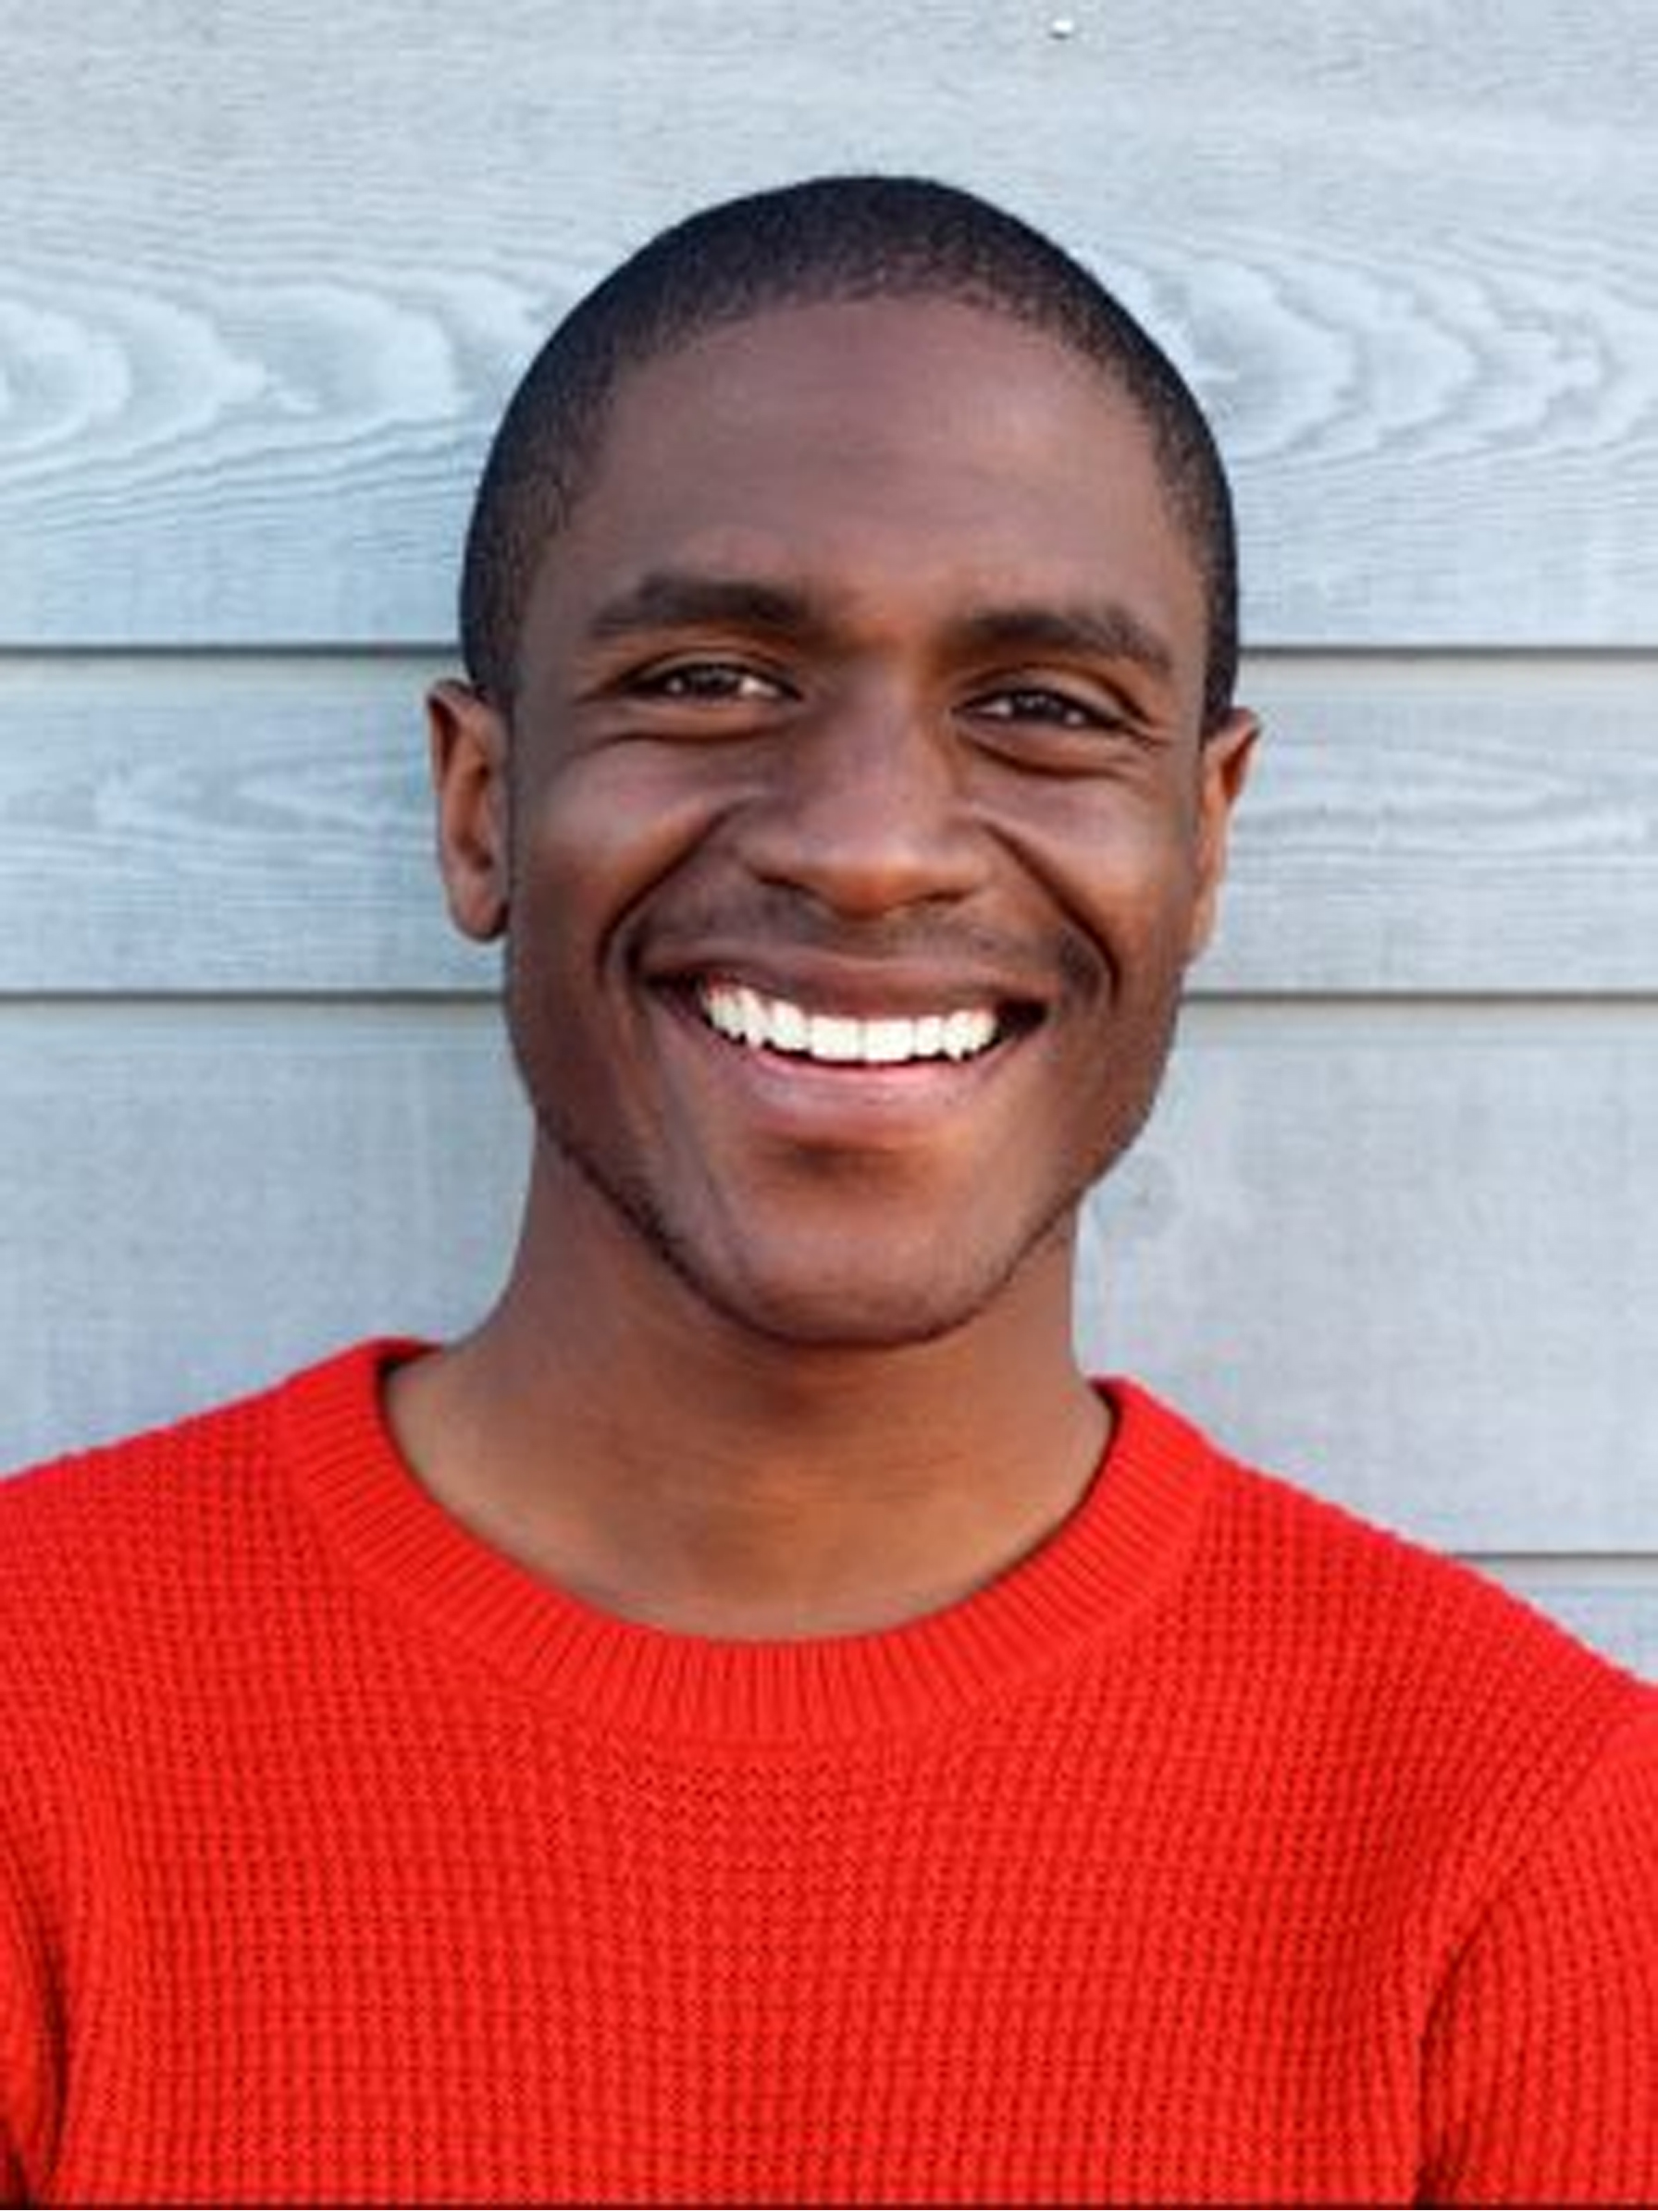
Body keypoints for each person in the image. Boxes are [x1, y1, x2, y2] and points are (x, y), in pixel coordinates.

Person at [0, 176, 1652, 2209]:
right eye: (711, 679)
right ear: (481, 804)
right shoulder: (32, 1735)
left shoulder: (1530, 1853)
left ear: (1201, 844)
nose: (870, 848)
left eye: (1042, 709)